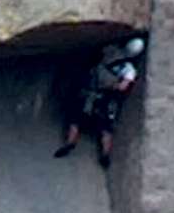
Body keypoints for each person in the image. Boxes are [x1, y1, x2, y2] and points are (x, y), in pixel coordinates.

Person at [53, 37, 145, 168]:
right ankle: (105, 155)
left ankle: (70, 142)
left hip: (90, 88)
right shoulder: (129, 69)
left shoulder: (111, 49)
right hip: (106, 96)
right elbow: (123, 87)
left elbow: (96, 57)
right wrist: (113, 86)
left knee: (76, 118)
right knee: (106, 127)